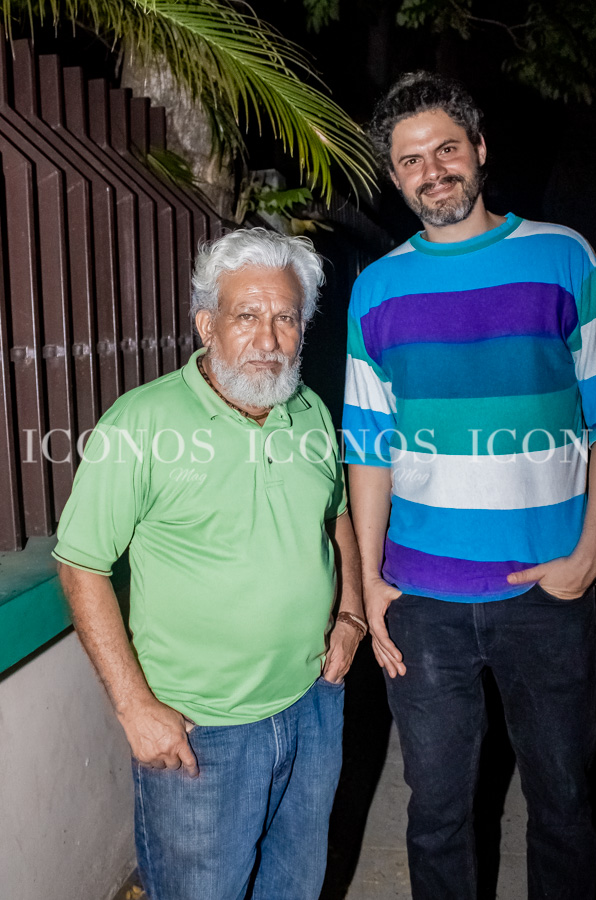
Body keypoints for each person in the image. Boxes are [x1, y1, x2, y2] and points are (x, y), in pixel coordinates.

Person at [342, 71, 596, 900]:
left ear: (479, 151)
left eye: (447, 148)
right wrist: (370, 584)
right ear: (395, 176)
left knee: (564, 800)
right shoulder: (377, 288)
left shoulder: (562, 256)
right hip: (422, 600)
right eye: (411, 159)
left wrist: (589, 555)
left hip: (546, 591)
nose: (432, 169)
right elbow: (367, 450)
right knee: (436, 810)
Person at [55, 227, 366, 900]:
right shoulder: (140, 425)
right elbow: (81, 564)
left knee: (297, 886)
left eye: (286, 316)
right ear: (207, 324)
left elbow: (335, 514)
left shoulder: (308, 411)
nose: (269, 337)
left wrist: (352, 612)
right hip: (202, 732)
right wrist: (135, 706)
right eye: (246, 315)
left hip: (313, 705)